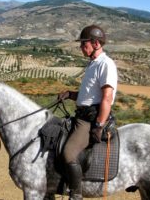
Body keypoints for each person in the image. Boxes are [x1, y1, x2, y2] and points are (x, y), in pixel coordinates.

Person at [58, 25, 118, 200]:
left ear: (96, 43)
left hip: (90, 119)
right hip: (82, 114)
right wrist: (70, 94)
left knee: (69, 153)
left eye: (84, 44)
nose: (81, 47)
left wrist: (99, 125)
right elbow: (88, 95)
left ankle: (76, 195)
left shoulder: (106, 64)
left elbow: (106, 98)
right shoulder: (93, 64)